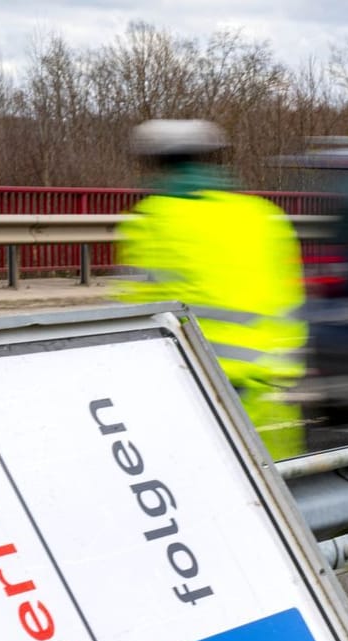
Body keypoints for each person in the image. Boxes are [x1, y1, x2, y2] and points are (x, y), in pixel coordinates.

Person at [115, 119, 310, 459]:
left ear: (155, 166)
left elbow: (135, 315)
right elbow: (291, 301)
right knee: (286, 502)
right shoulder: (263, 215)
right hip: (273, 395)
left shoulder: (153, 220)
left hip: (200, 393)